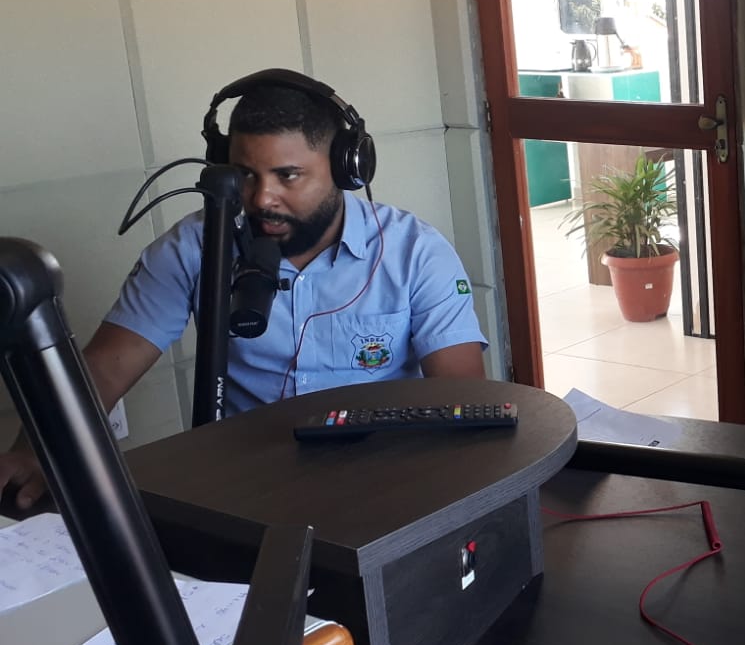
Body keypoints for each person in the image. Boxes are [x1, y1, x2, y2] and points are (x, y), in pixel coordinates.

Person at [0, 76, 488, 508]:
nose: (261, 198)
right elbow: (107, 366)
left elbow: (460, 398)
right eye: (246, 175)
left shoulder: (414, 252)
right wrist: (34, 449)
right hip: (247, 487)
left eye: (287, 175)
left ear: (345, 169)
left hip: (385, 482)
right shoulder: (195, 247)